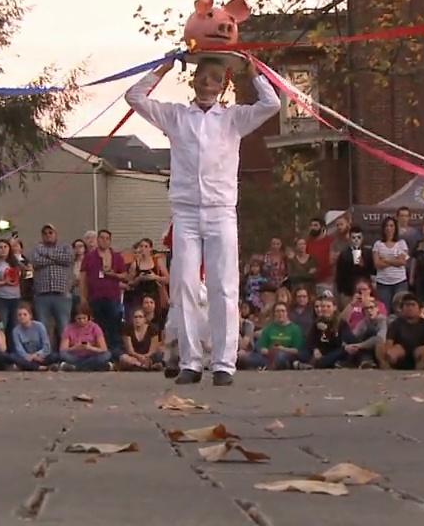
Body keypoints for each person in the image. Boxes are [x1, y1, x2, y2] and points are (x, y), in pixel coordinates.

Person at [125, 43, 280, 386]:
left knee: (223, 286)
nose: (207, 84)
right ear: (193, 80)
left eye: (215, 79)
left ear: (224, 84)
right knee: (184, 285)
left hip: (221, 210)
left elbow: (272, 105)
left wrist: (255, 75)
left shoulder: (233, 118)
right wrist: (163, 68)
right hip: (185, 211)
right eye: (202, 77)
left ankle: (224, 362)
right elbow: (134, 97)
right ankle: (191, 361)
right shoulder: (177, 116)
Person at [30, 224, 75, 350]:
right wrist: (56, 258)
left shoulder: (65, 247)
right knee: (43, 327)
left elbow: (68, 259)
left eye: (51, 232)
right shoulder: (36, 248)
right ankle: (46, 355)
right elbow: (36, 261)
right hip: (42, 295)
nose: (48, 235)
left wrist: (47, 254)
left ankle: (65, 355)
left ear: (56, 234)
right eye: (45, 233)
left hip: (62, 294)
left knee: (63, 326)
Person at [82, 229, 127, 353]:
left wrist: (113, 275)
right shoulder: (89, 257)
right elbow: (83, 278)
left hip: (112, 297)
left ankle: (115, 353)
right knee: (98, 326)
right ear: (97, 240)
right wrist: (83, 297)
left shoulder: (117, 257)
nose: (104, 240)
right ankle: (100, 352)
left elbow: (125, 276)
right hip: (95, 297)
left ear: (110, 241)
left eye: (107, 238)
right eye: (101, 238)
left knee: (114, 325)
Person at [378, 295, 424, 370]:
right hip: (400, 355)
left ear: (420, 309)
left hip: (419, 356)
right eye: (407, 305)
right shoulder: (395, 324)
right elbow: (389, 343)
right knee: (381, 346)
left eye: (413, 305)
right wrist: (389, 355)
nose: (410, 308)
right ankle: (388, 370)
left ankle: (419, 372)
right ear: (402, 309)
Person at [54, 304, 111, 372]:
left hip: (92, 356)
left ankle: (75, 367)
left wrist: (90, 348)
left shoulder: (95, 327)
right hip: (75, 357)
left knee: (107, 354)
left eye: (84, 318)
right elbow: (63, 349)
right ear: (74, 318)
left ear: (88, 317)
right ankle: (93, 367)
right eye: (79, 319)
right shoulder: (69, 328)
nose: (82, 321)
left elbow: (104, 349)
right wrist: (75, 347)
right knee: (62, 354)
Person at [303, 294, 351, 369]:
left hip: (335, 352)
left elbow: (341, 342)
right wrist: (315, 349)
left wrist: (327, 330)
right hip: (321, 352)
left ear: (334, 308)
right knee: (303, 353)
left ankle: (314, 364)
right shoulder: (317, 323)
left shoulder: (341, 323)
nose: (325, 309)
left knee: (344, 351)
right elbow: (310, 341)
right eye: (323, 306)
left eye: (328, 306)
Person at [372, 217, 410, 310]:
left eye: (391, 226)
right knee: (385, 309)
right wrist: (394, 260)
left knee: (400, 309)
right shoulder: (378, 244)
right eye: (387, 226)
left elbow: (402, 262)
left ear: (395, 228)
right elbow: (377, 264)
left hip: (400, 282)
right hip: (383, 283)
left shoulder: (401, 243)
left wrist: (385, 260)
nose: (389, 228)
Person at [254, 302, 304, 370]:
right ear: (274, 313)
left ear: (287, 313)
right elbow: (262, 348)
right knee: (245, 358)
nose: (280, 314)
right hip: (269, 356)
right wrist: (270, 352)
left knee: (280, 356)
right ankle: (271, 365)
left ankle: (270, 366)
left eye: (283, 311)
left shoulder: (295, 329)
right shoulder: (269, 328)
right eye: (277, 311)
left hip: (287, 355)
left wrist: (281, 349)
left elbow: (296, 350)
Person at [334, 226, 374, 306]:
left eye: (359, 237)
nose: (356, 240)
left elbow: (372, 271)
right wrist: (341, 292)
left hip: (364, 292)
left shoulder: (367, 252)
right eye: (353, 237)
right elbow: (339, 274)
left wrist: (363, 264)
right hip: (348, 292)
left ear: (362, 238)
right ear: (349, 239)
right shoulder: (344, 254)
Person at [126, 238, 169, 315]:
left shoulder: (157, 261)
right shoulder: (135, 264)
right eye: (141, 246)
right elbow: (129, 283)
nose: (143, 249)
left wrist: (155, 277)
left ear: (150, 248)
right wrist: (139, 279)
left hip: (155, 296)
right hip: (140, 296)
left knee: (156, 319)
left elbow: (168, 279)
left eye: (146, 246)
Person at [10, 304, 54, 371]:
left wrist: (35, 355)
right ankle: (39, 367)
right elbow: (19, 349)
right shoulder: (16, 330)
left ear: (30, 316)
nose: (22, 317)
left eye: (25, 314)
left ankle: (27, 366)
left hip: (40, 357)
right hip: (26, 358)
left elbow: (46, 346)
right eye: (19, 315)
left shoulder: (39, 326)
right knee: (12, 356)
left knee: (55, 356)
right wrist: (27, 356)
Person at [304, 217, 335, 286]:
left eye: (315, 225)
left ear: (322, 227)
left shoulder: (331, 241)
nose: (313, 228)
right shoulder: (307, 243)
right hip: (311, 281)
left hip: (328, 280)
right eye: (311, 225)